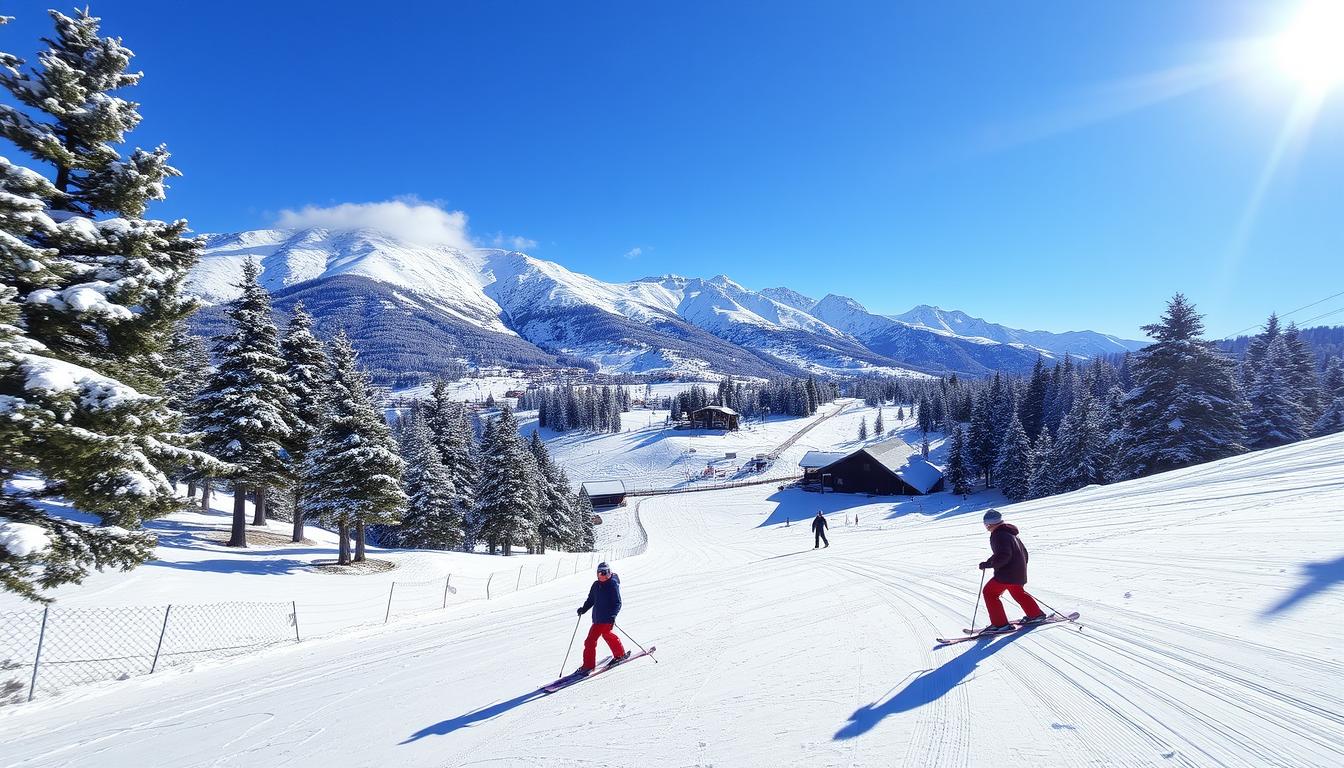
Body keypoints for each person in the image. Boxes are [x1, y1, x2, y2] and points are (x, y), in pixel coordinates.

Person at [978, 509, 1047, 632]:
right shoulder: (1010, 533)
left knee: (989, 593)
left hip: (1007, 574)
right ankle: (1035, 615)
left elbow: (1004, 555)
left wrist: (990, 564)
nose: (986, 527)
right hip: (1017, 572)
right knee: (1018, 592)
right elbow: (1022, 553)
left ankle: (1000, 624)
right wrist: (990, 562)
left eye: (986, 524)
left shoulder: (998, 535)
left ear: (990, 524)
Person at [575, 561, 628, 674]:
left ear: (609, 573)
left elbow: (617, 603)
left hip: (607, 618)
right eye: (599, 573)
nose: (602, 576)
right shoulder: (596, 585)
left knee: (590, 641)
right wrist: (583, 609)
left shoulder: (612, 584)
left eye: (604, 573)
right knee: (607, 634)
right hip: (598, 618)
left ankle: (588, 666)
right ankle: (620, 654)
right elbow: (591, 600)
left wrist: (613, 615)